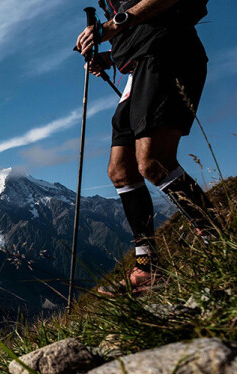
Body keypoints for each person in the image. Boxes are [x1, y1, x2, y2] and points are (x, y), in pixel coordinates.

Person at [76, 0, 215, 295]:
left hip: (167, 52)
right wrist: (110, 58)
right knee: (120, 170)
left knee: (153, 161)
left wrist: (113, 24)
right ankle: (148, 267)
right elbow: (137, 28)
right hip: (138, 66)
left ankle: (218, 242)